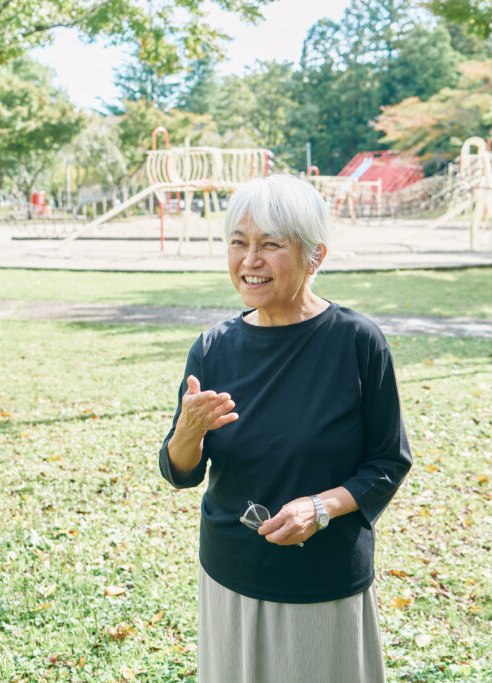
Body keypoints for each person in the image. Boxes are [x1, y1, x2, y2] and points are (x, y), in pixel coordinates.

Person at [158, 174, 412, 682]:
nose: (250, 260)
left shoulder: (357, 343)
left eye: (270, 245)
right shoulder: (213, 348)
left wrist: (319, 507)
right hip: (231, 573)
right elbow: (181, 472)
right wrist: (187, 431)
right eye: (238, 243)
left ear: (314, 257)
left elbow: (388, 462)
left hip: (323, 578)